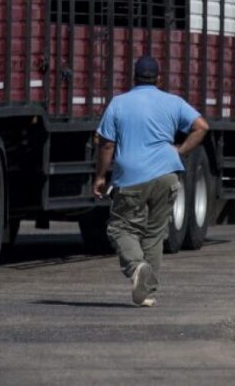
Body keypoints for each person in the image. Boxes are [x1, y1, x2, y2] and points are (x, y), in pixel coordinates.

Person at [91, 55, 209, 307]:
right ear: (158, 78)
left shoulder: (119, 104)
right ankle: (148, 292)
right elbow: (202, 126)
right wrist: (180, 151)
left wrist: (101, 176)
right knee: (155, 234)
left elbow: (107, 144)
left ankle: (136, 267)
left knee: (121, 228)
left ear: (133, 77)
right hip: (167, 173)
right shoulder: (173, 102)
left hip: (132, 176)